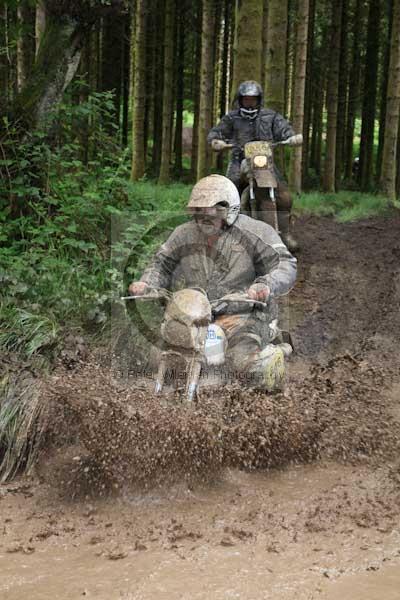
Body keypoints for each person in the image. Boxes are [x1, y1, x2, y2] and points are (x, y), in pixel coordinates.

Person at [128, 174, 297, 391]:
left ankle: (275, 354)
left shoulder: (256, 232)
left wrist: (265, 286)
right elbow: (162, 263)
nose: (203, 219)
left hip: (245, 314)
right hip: (196, 315)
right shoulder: (183, 233)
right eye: (198, 213)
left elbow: (286, 264)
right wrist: (146, 284)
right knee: (156, 354)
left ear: (229, 211)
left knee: (247, 367)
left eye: (211, 213)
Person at [207, 80, 299, 252]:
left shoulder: (270, 116)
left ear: (259, 100)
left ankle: (284, 234)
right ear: (240, 100)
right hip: (238, 160)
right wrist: (216, 141)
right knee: (227, 194)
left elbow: (283, 128)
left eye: (253, 99)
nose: (250, 102)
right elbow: (216, 132)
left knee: (284, 197)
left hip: (264, 163)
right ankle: (221, 236)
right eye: (246, 99)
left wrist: (291, 137)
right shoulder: (231, 118)